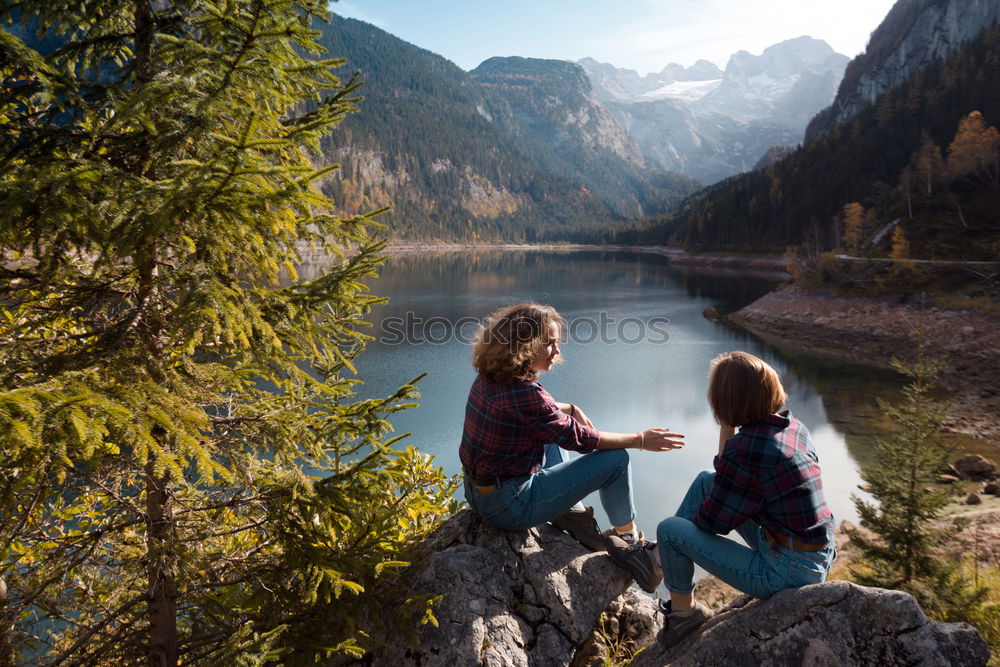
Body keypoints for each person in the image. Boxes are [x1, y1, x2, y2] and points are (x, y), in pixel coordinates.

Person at [606, 351, 836, 648]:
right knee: (706, 481)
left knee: (670, 530)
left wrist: (727, 426)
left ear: (725, 401)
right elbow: (728, 476)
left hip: (787, 571)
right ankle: (657, 562)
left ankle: (683, 613)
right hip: (814, 552)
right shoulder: (791, 427)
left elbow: (712, 521)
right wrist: (731, 429)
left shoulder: (749, 448)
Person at [460, 302, 685, 550]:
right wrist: (641, 439)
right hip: (510, 507)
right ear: (523, 344)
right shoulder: (526, 395)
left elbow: (533, 413)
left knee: (549, 437)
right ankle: (630, 541)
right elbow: (582, 440)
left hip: (479, 494)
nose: (556, 350)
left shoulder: (489, 376)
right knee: (616, 460)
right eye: (548, 342)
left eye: (557, 342)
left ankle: (571, 514)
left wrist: (571, 408)